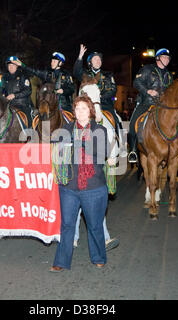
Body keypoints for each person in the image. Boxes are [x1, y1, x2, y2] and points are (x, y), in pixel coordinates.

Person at [50, 95, 113, 272]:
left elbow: (103, 153)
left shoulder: (99, 130)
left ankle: (99, 257)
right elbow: (55, 149)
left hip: (93, 187)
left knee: (94, 225)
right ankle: (61, 261)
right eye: (77, 109)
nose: (80, 112)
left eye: (84, 108)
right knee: (67, 225)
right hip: (69, 186)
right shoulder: (66, 129)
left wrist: (79, 143)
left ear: (91, 111)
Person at [128, 48, 178, 162]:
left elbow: (171, 91)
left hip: (163, 105)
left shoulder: (169, 74)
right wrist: (148, 91)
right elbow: (136, 82)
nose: (167, 60)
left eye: (168, 58)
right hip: (146, 102)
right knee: (133, 124)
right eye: (164, 57)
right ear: (157, 58)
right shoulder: (147, 69)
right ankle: (132, 151)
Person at [73, 44, 121, 133]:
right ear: (90, 62)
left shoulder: (108, 75)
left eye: (99, 59)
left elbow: (113, 90)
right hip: (87, 106)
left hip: (105, 105)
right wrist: (80, 57)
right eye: (95, 59)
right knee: (74, 121)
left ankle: (120, 141)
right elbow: (76, 72)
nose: (98, 61)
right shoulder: (84, 74)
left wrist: (100, 97)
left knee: (117, 120)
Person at [0, 56, 33, 124]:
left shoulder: (23, 75)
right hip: (8, 104)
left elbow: (28, 90)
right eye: (9, 65)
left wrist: (15, 95)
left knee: (28, 120)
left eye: (13, 65)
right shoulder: (5, 77)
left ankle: (29, 132)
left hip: (22, 105)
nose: (11, 67)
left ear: (17, 66)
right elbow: (0, 88)